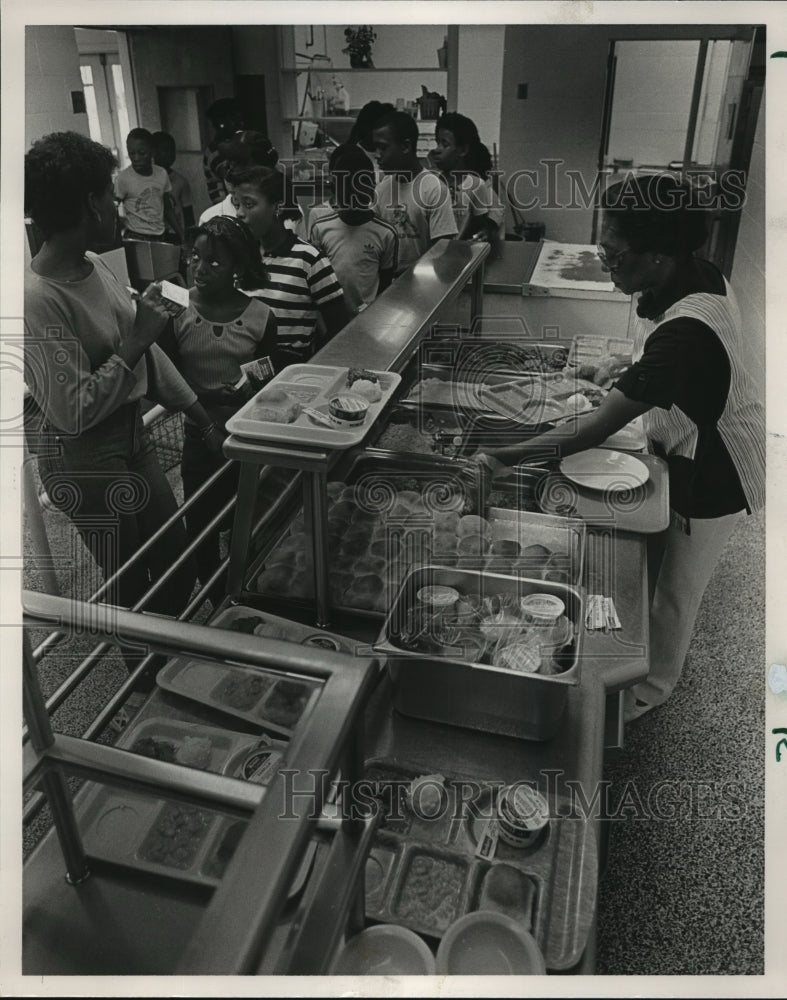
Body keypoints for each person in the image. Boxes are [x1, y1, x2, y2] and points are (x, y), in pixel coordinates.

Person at [472, 174, 765, 724]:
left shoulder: (688, 326)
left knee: (677, 591)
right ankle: (642, 663)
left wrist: (503, 456)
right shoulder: (692, 272)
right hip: (692, 431)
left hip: (717, 463)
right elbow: (670, 367)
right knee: (660, 574)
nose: (606, 264)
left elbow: (591, 430)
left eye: (613, 255)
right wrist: (626, 369)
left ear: (657, 256)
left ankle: (650, 690)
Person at [24, 132, 224, 631]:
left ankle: (165, 652)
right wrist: (136, 338)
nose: (117, 209)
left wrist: (202, 420)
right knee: (131, 578)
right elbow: (74, 410)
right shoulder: (35, 299)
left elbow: (146, 353)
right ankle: (141, 676)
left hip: (130, 434)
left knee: (176, 558)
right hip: (81, 454)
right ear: (91, 204)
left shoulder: (92, 265)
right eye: (111, 199)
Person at [159, 216, 277, 589]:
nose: (200, 269)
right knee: (202, 525)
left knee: (247, 520)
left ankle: (243, 591)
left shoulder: (260, 316)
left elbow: (270, 377)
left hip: (248, 441)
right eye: (195, 257)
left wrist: (252, 390)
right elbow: (165, 377)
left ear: (237, 268)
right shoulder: (177, 310)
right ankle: (212, 599)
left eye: (214, 262)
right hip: (199, 438)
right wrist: (208, 397)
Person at [228, 164, 352, 368]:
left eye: (248, 204)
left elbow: (338, 328)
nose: (239, 213)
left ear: (278, 207)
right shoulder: (240, 256)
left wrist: (311, 365)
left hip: (288, 373)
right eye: (237, 204)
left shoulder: (309, 260)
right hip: (245, 371)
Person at [308, 144, 398, 314]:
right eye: (347, 189)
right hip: (331, 319)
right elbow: (316, 283)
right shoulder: (320, 228)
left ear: (371, 187)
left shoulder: (385, 233)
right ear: (336, 188)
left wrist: (372, 314)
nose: (353, 196)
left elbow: (386, 286)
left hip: (370, 321)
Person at [372, 110, 458, 272]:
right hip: (386, 284)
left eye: (383, 148)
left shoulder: (433, 189)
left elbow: (442, 251)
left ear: (405, 146)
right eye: (375, 148)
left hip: (422, 285)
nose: (377, 155)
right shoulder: (382, 189)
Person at [430, 112, 506, 243]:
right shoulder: (434, 178)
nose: (437, 149)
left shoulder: (476, 179)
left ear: (463, 150)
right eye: (437, 142)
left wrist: (486, 229)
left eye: (445, 144)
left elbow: (497, 210)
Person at [115, 127, 183, 243]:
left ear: (152, 152)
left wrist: (182, 235)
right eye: (132, 153)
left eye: (142, 153)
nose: (136, 158)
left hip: (160, 236)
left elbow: (167, 209)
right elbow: (112, 209)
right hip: (135, 237)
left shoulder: (161, 174)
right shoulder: (123, 178)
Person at [151, 131, 195, 238]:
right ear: (153, 152)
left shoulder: (180, 181)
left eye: (172, 150)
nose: (170, 154)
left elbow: (188, 212)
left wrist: (191, 236)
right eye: (166, 150)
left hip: (174, 234)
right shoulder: (145, 180)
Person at [203, 98, 244, 205]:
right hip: (225, 208)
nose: (241, 124)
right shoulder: (214, 151)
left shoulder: (234, 144)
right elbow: (232, 177)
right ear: (221, 123)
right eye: (235, 120)